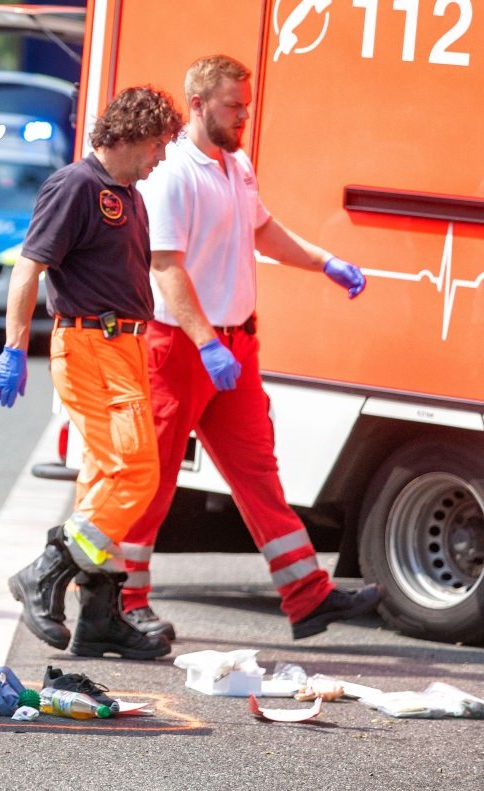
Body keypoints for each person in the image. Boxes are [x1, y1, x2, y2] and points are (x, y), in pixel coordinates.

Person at [120, 54, 380, 642]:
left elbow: (261, 229)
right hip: (182, 348)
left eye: (246, 104)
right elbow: (166, 269)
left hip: (231, 347)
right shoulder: (173, 173)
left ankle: (307, 597)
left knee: (259, 475)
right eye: (233, 106)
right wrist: (207, 342)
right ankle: (124, 600)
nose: (243, 115)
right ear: (198, 105)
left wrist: (324, 262)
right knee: (151, 481)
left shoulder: (235, 165)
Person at [0, 86, 184, 660]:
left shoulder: (128, 194)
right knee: (135, 475)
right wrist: (13, 347)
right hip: (92, 348)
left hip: (122, 349)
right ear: (125, 137)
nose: (161, 158)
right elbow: (29, 270)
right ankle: (45, 572)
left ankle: (98, 616)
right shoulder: (76, 185)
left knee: (106, 484)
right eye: (155, 145)